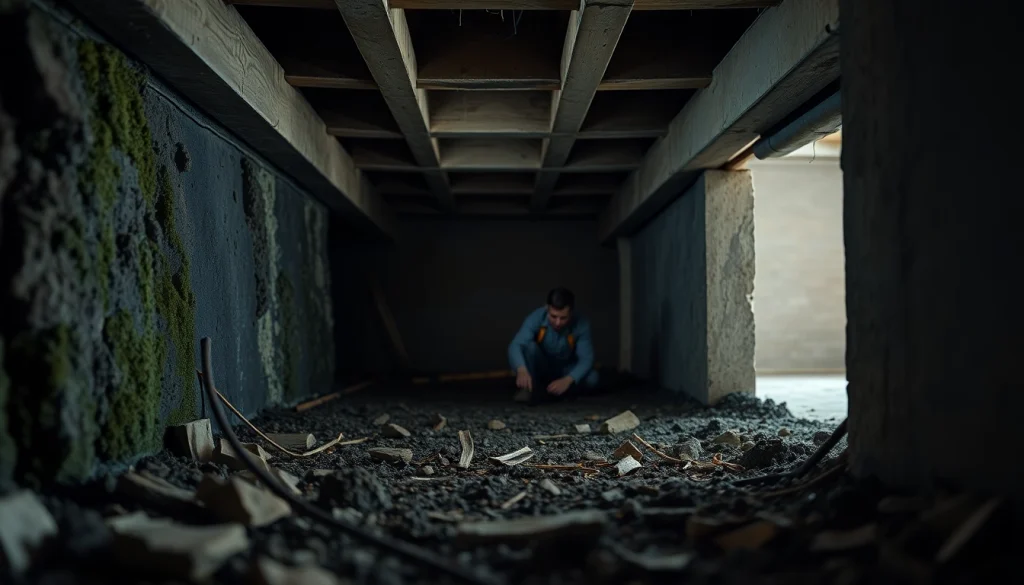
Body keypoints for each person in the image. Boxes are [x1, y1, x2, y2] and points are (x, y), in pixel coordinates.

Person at [507, 287, 599, 403]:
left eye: (563, 318)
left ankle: (560, 392)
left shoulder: (581, 323)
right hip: (541, 366)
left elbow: (586, 359)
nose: (558, 323)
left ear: (571, 312)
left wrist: (568, 379)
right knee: (530, 347)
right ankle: (531, 389)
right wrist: (521, 369)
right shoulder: (536, 317)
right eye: (553, 316)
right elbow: (516, 345)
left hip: (566, 368)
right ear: (547, 308)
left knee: (592, 378)